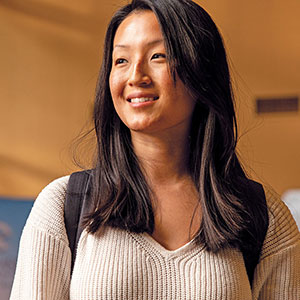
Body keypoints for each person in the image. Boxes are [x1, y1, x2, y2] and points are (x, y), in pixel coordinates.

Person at [10, 0, 300, 299]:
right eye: (121, 60)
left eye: (158, 56)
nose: (136, 76)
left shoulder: (265, 217)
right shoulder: (62, 205)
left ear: (200, 71)